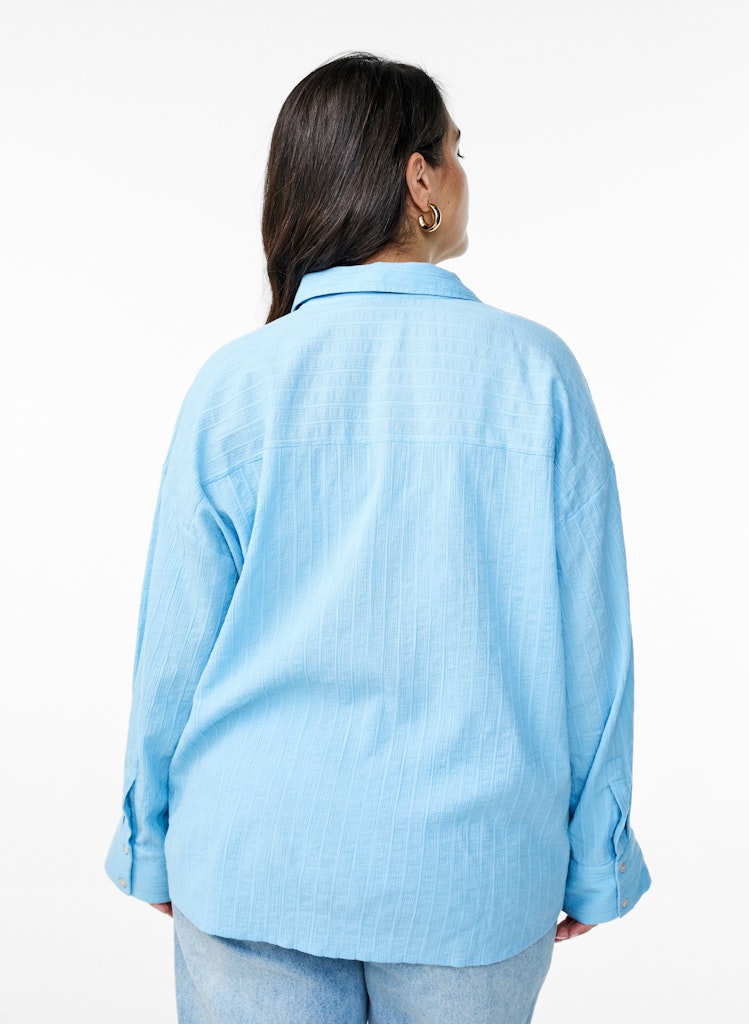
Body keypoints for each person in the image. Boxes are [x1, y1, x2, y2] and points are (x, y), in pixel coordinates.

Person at [105, 51, 651, 1023]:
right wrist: (593, 856)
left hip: (252, 858)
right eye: (455, 153)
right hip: (473, 871)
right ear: (418, 180)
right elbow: (593, 648)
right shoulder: (537, 377)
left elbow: (173, 647)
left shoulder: (235, 385)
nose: (463, 174)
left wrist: (150, 839)